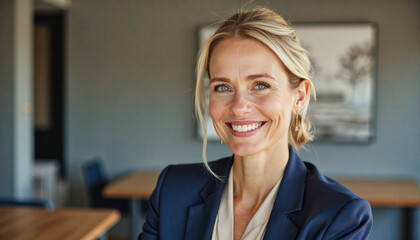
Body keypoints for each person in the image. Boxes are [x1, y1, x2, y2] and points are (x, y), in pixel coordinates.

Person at [140, 7, 372, 240]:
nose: (239, 107)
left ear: (299, 97)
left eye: (260, 85)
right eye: (223, 87)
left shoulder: (340, 216)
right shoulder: (172, 191)